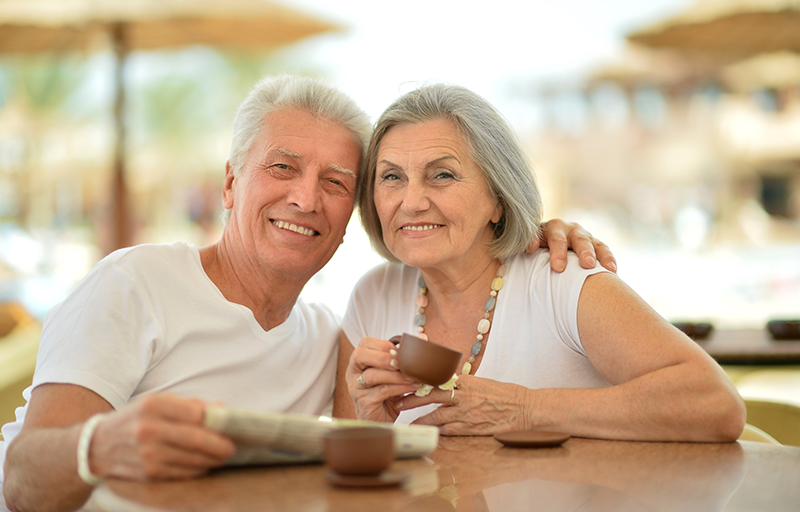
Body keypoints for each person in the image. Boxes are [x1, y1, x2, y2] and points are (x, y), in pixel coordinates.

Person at [1, 75, 615, 512]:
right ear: (231, 183)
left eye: (336, 182)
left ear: (353, 211)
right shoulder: (133, 285)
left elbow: (365, 459)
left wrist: (523, 232)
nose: (305, 198)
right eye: (283, 167)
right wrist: (100, 445)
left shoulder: (327, 337)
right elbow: (24, 484)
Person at [334, 83, 746, 442]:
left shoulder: (561, 280)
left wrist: (526, 409)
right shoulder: (374, 295)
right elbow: (353, 478)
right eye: (391, 177)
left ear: (497, 197)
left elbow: (715, 404)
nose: (411, 202)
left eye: (442, 175)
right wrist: (372, 424)